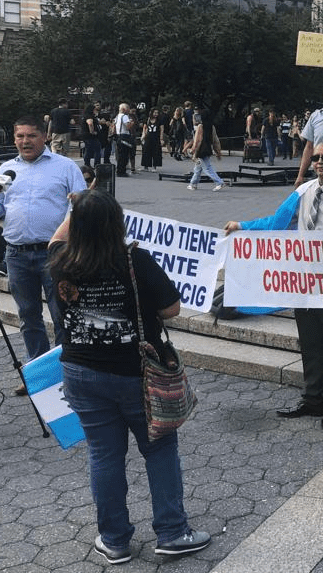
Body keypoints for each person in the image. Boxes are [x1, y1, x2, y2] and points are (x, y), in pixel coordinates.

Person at [50, 190, 210, 564]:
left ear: (78, 225)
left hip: (81, 371)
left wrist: (77, 209)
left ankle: (115, 540)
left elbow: (57, 237)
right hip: (137, 374)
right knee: (159, 448)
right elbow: (171, 308)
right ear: (118, 224)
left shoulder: (60, 260)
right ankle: (172, 532)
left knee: (104, 454)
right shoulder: (134, 258)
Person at [224, 140, 323, 430]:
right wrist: (242, 226)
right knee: (310, 343)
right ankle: (312, 398)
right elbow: (276, 223)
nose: (320, 162)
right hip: (304, 285)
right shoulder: (303, 192)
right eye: (316, 157)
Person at [0, 115, 87, 390]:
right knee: (28, 316)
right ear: (14, 139)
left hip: (56, 254)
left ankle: (66, 373)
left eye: (31, 136)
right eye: (20, 136)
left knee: (63, 315)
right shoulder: (7, 170)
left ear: (44, 137)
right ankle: (38, 376)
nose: (25, 141)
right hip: (15, 254)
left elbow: (82, 207)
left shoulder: (65, 167)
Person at [186, 110, 226, 192]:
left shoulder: (201, 126)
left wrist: (193, 150)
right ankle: (193, 184)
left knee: (207, 168)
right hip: (208, 148)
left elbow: (197, 140)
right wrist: (218, 151)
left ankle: (219, 182)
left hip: (201, 149)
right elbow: (215, 140)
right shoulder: (211, 126)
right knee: (198, 167)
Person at [114, 103, 134, 177]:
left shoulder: (117, 116)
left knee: (120, 155)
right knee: (124, 155)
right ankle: (122, 171)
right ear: (124, 109)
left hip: (119, 135)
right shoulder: (125, 116)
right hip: (124, 136)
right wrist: (131, 123)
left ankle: (119, 170)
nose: (129, 110)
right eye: (128, 108)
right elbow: (128, 126)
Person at [82, 104, 102, 168]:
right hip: (91, 136)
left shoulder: (85, 115)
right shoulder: (89, 116)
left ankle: (87, 164)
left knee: (88, 149)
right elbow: (90, 123)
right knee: (97, 150)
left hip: (86, 135)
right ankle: (97, 164)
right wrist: (92, 132)